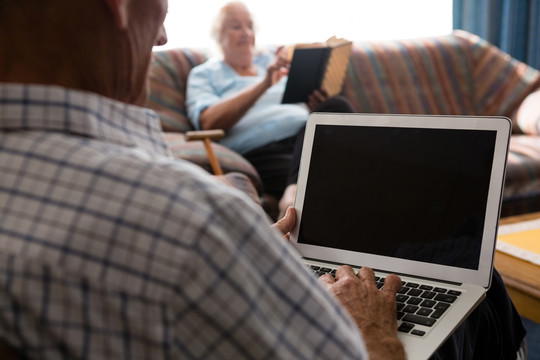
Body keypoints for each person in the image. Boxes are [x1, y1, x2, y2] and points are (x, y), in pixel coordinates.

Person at [0, 0, 526, 359]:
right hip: (266, 153)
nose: (161, 34)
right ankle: (302, 194)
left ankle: (307, 197)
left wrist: (248, 254)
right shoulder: (192, 219)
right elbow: (210, 124)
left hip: (298, 137)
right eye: (160, 9)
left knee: (331, 116)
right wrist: (374, 339)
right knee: (476, 275)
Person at [186, 1, 354, 219]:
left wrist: (314, 101)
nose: (246, 33)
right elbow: (208, 121)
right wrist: (265, 83)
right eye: (236, 27)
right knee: (330, 183)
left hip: (307, 136)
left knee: (337, 106)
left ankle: (294, 188)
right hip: (267, 152)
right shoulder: (205, 73)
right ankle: (295, 189)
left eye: (250, 27)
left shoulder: (271, 60)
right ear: (218, 35)